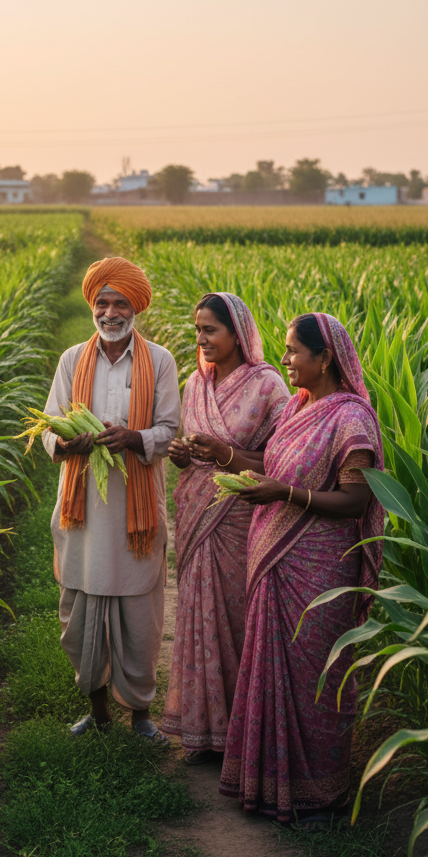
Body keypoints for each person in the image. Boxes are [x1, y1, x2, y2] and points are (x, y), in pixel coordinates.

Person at [218, 312, 384, 827]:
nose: (285, 359)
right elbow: (275, 469)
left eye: (293, 351)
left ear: (325, 357)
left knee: (315, 676)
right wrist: (225, 458)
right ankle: (268, 783)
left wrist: (283, 494)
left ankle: (319, 793)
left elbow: (357, 502)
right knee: (273, 667)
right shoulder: (296, 407)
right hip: (278, 561)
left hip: (320, 571)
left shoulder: (350, 419)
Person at [41, 256, 180, 741]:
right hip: (82, 510)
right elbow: (49, 426)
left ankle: (141, 715)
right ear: (92, 306)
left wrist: (134, 439)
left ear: (135, 307)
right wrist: (66, 443)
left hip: (135, 509)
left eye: (120, 302)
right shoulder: (71, 359)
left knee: (140, 616)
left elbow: (168, 430)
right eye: (102, 301)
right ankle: (98, 713)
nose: (110, 311)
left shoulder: (160, 360)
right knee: (80, 611)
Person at [162, 293, 289, 764]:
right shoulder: (195, 381)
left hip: (242, 519)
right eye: (197, 330)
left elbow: (281, 462)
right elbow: (194, 455)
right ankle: (204, 729)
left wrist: (223, 454)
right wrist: (184, 457)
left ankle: (242, 730)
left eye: (209, 330)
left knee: (238, 621)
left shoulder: (269, 387)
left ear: (237, 332)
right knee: (199, 616)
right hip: (198, 515)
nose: (201, 339)